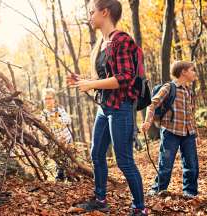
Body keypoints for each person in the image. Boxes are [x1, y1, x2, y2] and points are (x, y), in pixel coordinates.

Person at [67, 0, 147, 215]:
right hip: (105, 107)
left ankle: (139, 209)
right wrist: (82, 80)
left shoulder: (121, 40)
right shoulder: (102, 43)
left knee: (124, 160)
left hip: (121, 107)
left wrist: (90, 84)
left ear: (105, 12)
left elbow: (124, 77)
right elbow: (104, 78)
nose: (90, 16)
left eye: (92, 12)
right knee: (97, 153)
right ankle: (101, 200)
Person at [141, 61, 200, 199]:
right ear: (183, 72)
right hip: (170, 132)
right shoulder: (169, 88)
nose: (194, 73)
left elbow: (191, 115)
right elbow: (152, 104)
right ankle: (158, 189)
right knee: (165, 163)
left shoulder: (189, 92)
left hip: (188, 133)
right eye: (192, 70)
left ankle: (190, 192)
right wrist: (148, 121)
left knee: (191, 164)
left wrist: (196, 134)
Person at [41, 88, 73, 181]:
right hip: (55, 141)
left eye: (50, 98)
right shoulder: (44, 113)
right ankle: (60, 177)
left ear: (54, 99)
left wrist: (57, 120)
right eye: (46, 99)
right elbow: (44, 129)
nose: (48, 101)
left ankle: (70, 176)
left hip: (66, 138)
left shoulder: (59, 110)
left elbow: (68, 120)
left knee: (68, 158)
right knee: (59, 159)